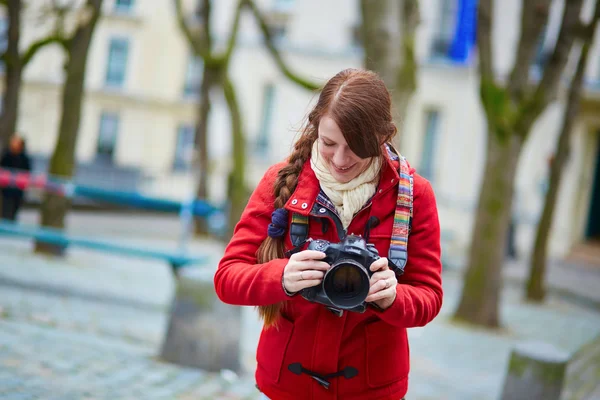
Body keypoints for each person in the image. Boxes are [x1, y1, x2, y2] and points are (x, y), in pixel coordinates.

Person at [215, 69, 442, 400]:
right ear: (316, 128)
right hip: (288, 386)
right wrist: (284, 276)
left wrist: (393, 297)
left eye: (355, 148)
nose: (339, 159)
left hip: (370, 390)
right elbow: (226, 279)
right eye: (329, 143)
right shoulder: (280, 182)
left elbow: (429, 297)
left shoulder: (414, 196)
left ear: (383, 137)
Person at [1, 135, 31, 221]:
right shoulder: (7, 155)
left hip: (18, 189)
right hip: (7, 188)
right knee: (6, 207)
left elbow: (27, 172)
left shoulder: (24, 157)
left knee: (15, 208)